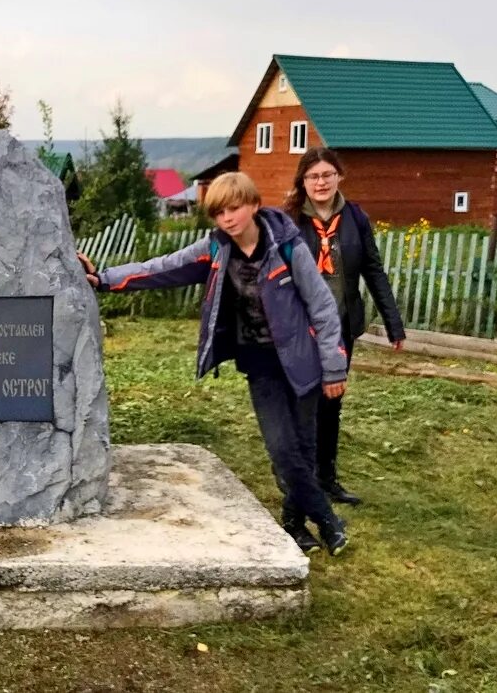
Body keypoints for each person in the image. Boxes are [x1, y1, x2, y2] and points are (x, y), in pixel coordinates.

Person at [80, 172, 350, 556]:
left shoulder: (286, 245)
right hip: (261, 365)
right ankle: (329, 522)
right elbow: (161, 268)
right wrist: (103, 279)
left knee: (304, 449)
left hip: (303, 362)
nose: (227, 218)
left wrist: (334, 367)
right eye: (219, 212)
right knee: (283, 449)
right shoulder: (216, 249)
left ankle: (294, 525)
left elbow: (321, 306)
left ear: (254, 205)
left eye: (235, 208)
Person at [283, 148, 405, 506]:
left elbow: (373, 270)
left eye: (327, 175)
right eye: (313, 177)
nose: (320, 183)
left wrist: (393, 323)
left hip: (340, 328)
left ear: (339, 177)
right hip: (301, 329)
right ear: (303, 181)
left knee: (331, 403)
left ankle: (327, 479)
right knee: (303, 403)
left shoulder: (355, 217)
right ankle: (299, 481)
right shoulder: (289, 220)